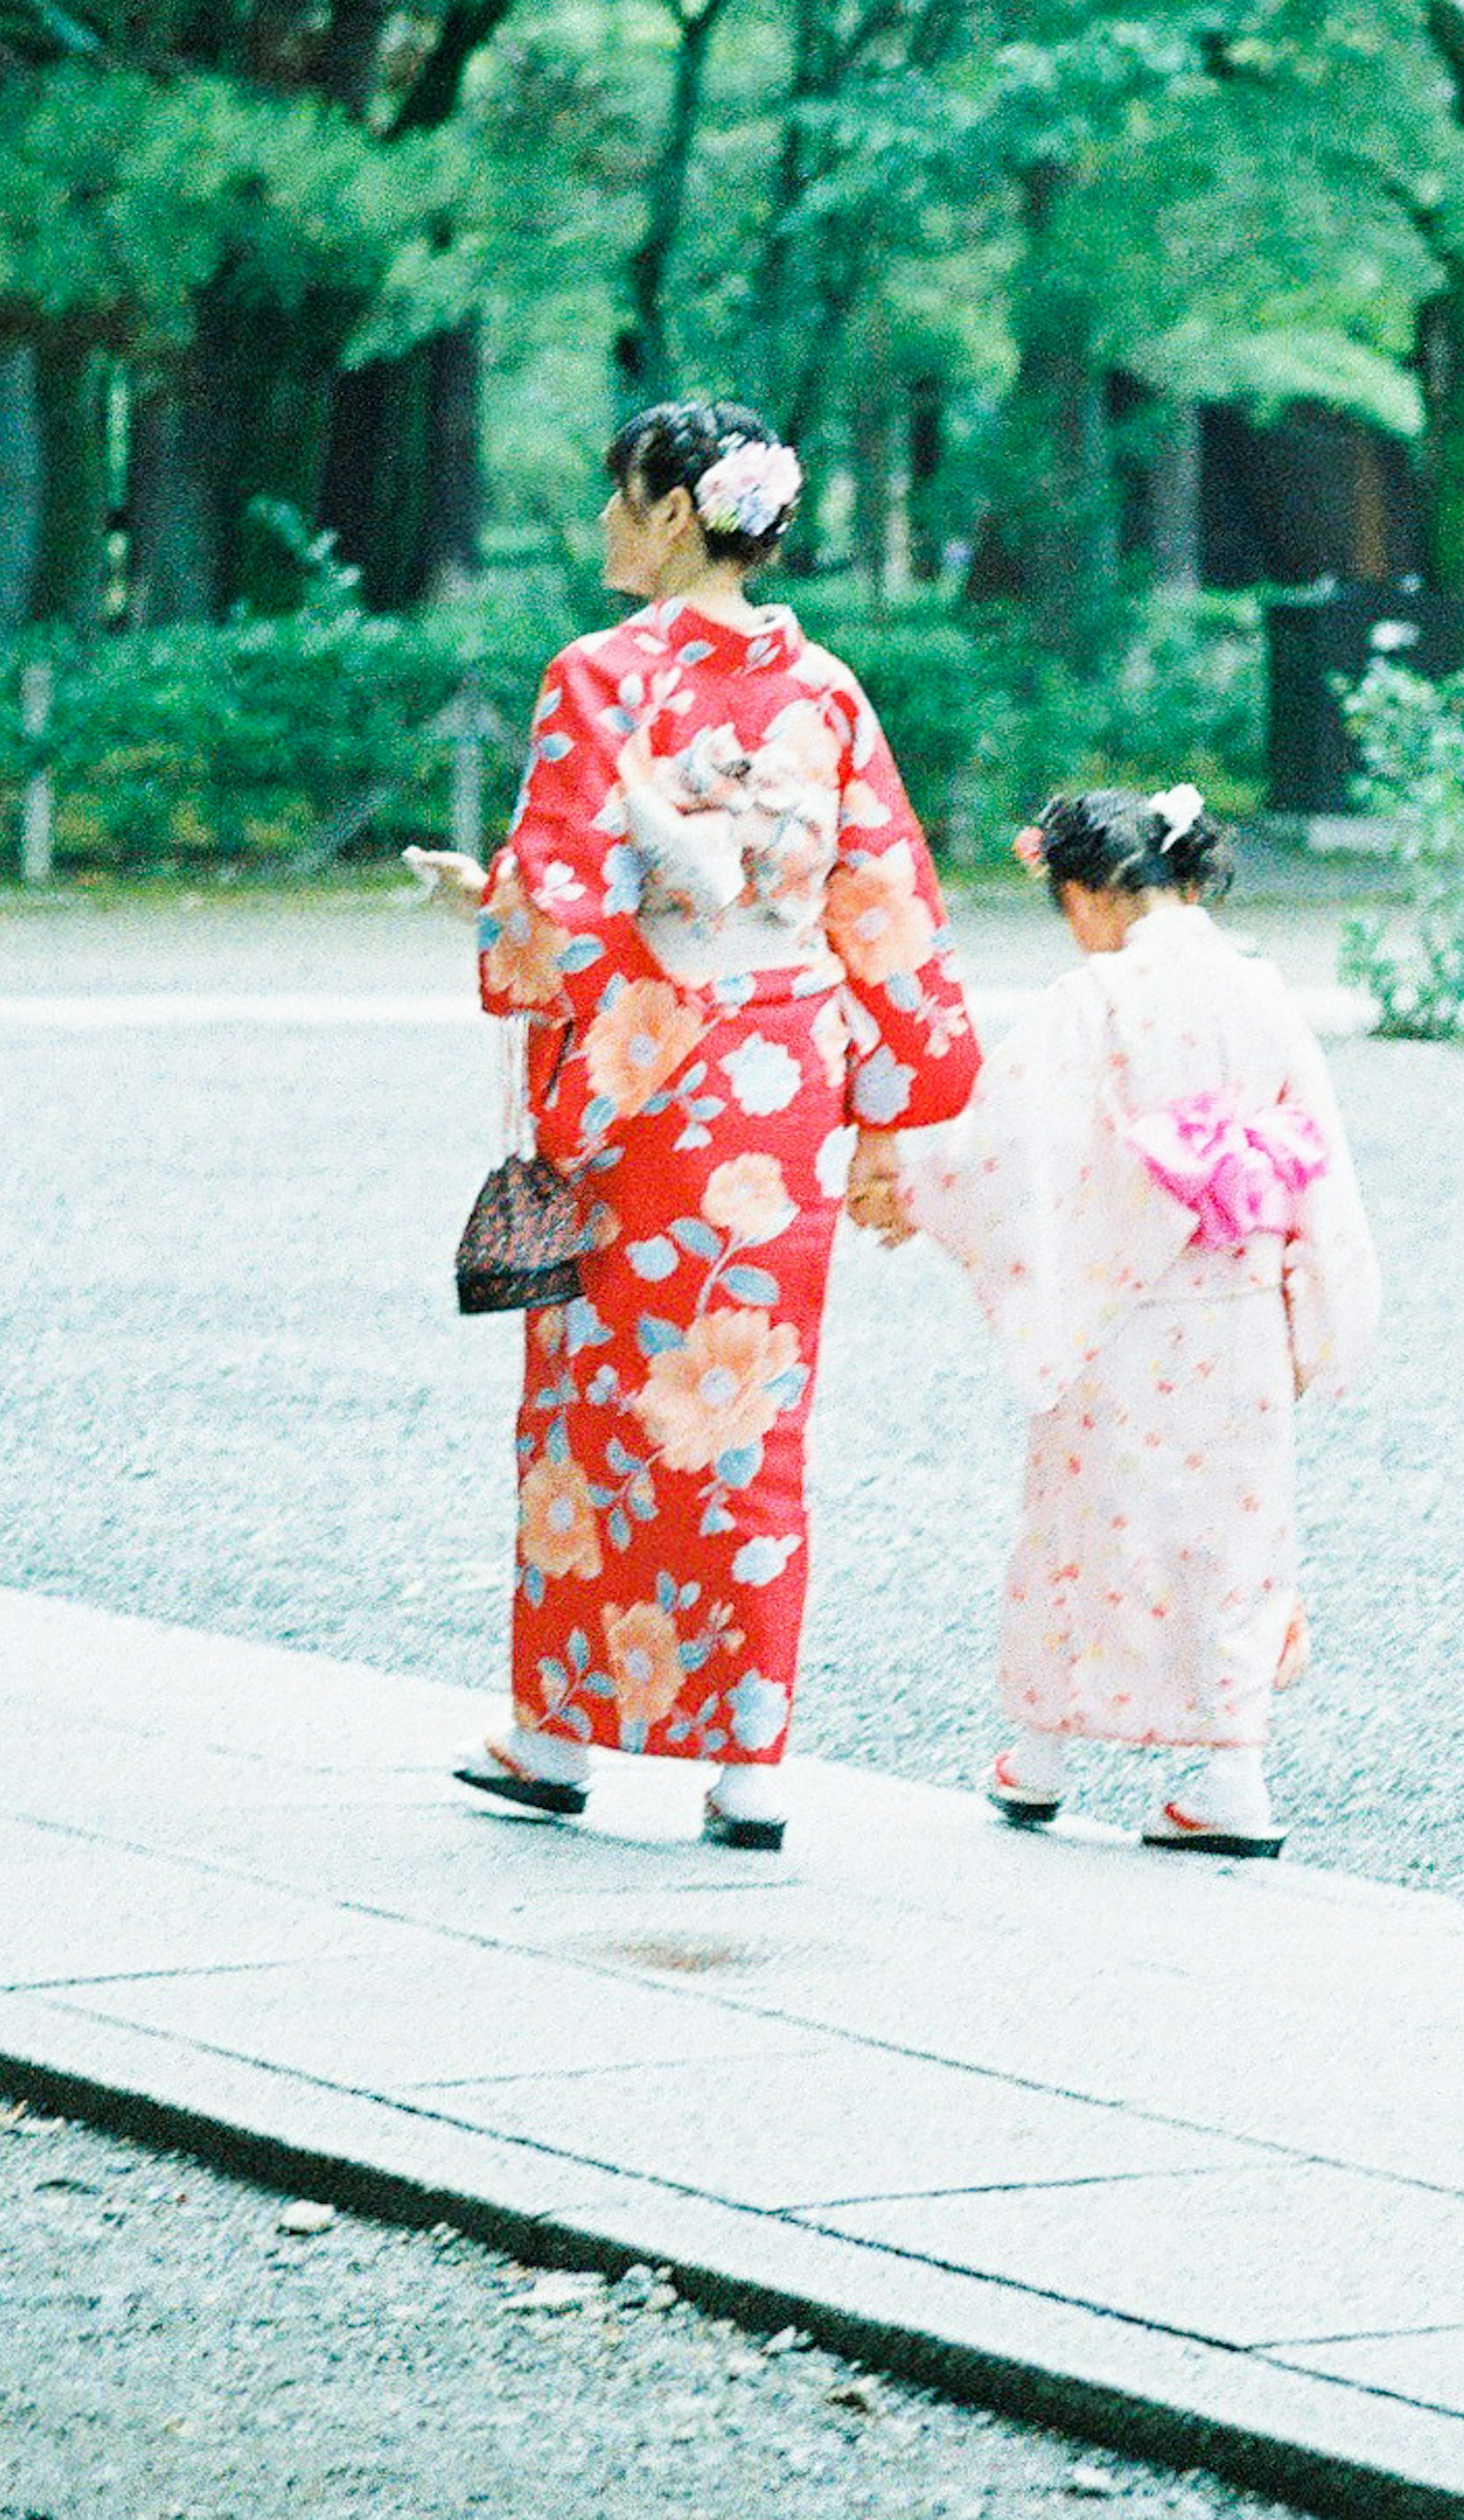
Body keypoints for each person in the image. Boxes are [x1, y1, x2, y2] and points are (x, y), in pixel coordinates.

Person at [409, 400, 978, 1850]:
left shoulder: (601, 675)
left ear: (674, 511)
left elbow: (566, 900)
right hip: (779, 1085)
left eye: (619, 497)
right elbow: (884, 905)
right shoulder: (829, 690)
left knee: (592, 1408)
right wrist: (897, 1105)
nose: (604, 523)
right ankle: (750, 1766)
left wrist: (496, 916)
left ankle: (554, 1737)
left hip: (645, 1076)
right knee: (749, 1418)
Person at [850, 786, 1378, 1856]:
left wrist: (907, 1187)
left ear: (1088, 894)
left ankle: (1041, 1756)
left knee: (1084, 1534)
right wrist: (1327, 1311)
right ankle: (1233, 1777)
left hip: (1122, 1317)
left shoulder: (1095, 1000)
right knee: (1232, 1540)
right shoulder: (1263, 992)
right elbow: (1318, 1159)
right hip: (1239, 1314)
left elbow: (1013, 1147)